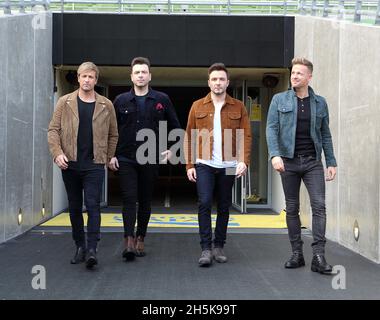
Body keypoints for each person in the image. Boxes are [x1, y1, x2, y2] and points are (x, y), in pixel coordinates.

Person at [266, 57, 337, 274]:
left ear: (309, 77)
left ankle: (318, 256)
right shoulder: (279, 100)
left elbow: (325, 134)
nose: (294, 76)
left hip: (312, 162)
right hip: (288, 161)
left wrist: (331, 161)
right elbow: (271, 128)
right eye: (293, 73)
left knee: (319, 206)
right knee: (293, 208)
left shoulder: (320, 102)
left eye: (299, 73)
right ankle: (297, 253)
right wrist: (275, 155)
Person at [48, 62, 118, 269]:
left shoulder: (106, 104)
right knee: (75, 207)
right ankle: (79, 245)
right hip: (70, 164)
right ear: (78, 78)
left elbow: (113, 134)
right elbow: (53, 130)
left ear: (96, 80)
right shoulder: (65, 102)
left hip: (95, 164)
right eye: (83, 76)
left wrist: (108, 156)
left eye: (91, 77)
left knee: (93, 205)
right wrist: (57, 154)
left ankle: (92, 249)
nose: (87, 80)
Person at [109, 57, 181, 261]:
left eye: (144, 72)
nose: (140, 75)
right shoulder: (121, 100)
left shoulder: (161, 99)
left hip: (151, 156)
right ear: (131, 76)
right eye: (137, 72)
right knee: (129, 198)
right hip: (126, 157)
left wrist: (172, 149)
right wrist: (111, 154)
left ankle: (141, 236)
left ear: (150, 75)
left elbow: (175, 126)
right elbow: (111, 130)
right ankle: (129, 240)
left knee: (146, 200)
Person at [185, 63, 251, 267]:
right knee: (204, 203)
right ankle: (206, 248)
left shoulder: (238, 106)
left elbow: (246, 136)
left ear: (227, 82)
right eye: (214, 79)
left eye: (221, 79)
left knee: (224, 205)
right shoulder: (197, 106)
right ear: (209, 82)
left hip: (229, 164)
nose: (218, 82)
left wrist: (243, 161)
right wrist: (189, 165)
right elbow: (189, 136)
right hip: (204, 163)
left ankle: (219, 246)